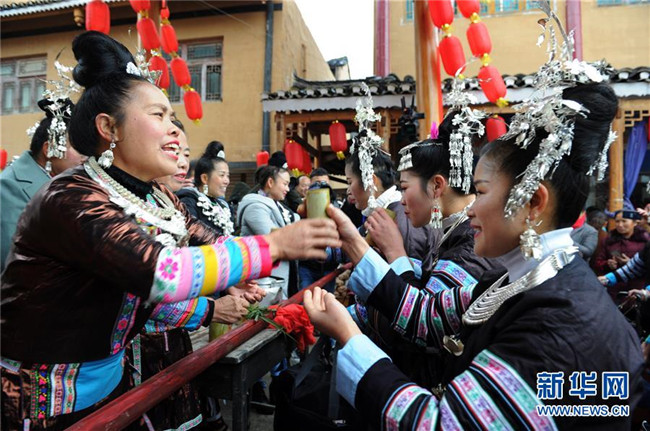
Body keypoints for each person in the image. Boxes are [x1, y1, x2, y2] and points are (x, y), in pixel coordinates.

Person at [0, 31, 340, 430]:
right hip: (44, 399)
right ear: (109, 127)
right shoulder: (71, 196)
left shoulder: (155, 196)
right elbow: (162, 273)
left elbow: (201, 237)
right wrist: (272, 247)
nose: (175, 130)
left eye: (171, 116)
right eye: (158, 115)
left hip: (113, 385)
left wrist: (235, 277)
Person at [305, 80, 644, 429]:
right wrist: (357, 246)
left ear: (533, 202)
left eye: (480, 192)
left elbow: (441, 424)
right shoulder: (520, 280)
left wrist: (350, 339)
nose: (470, 209)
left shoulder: (558, 324)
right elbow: (428, 315)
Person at [0, 100, 86, 270]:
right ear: (49, 149)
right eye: (78, 148)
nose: (86, 156)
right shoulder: (8, 187)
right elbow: (12, 257)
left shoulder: (69, 183)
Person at [237, 165, 300, 299]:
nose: (288, 189)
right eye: (285, 184)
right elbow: (276, 239)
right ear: (270, 182)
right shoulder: (255, 207)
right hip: (263, 280)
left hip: (279, 275)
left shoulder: (280, 206)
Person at [177, 141, 235, 236]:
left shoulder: (224, 206)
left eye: (227, 176)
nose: (227, 181)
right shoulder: (188, 202)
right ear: (205, 178)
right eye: (222, 175)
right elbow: (193, 235)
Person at [593, 209, 649, 300]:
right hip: (615, 290)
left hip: (638, 289)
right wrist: (607, 267)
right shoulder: (609, 240)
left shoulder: (645, 240)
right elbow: (598, 262)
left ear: (635, 223)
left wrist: (647, 292)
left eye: (624, 221)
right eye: (617, 221)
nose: (620, 225)